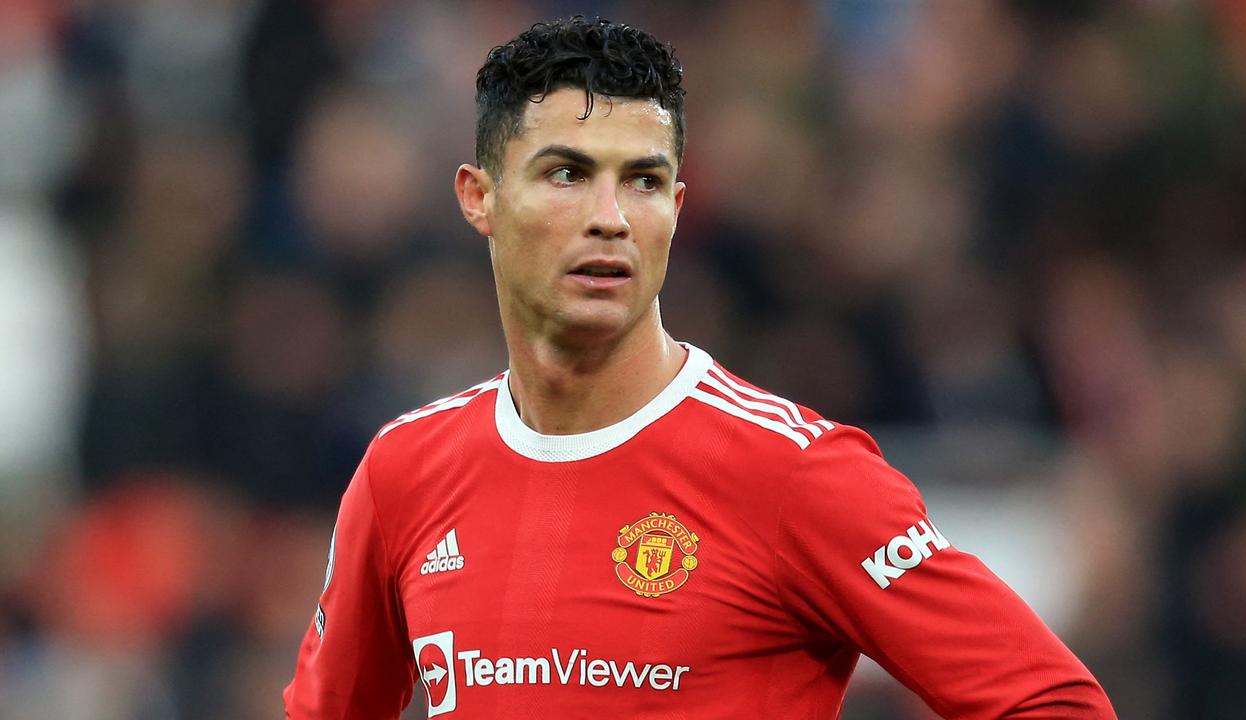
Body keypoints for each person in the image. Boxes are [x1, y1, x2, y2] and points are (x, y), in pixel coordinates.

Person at [284, 16, 1116, 719]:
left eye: (643, 181)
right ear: (479, 197)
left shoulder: (790, 473)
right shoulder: (405, 473)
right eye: (567, 174)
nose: (609, 219)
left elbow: (1052, 701)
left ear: (676, 209)